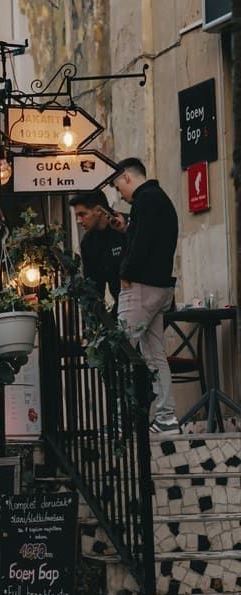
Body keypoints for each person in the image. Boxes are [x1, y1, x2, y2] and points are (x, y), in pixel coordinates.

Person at [112, 157, 180, 434]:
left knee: (119, 352)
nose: (120, 194)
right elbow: (153, 238)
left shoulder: (144, 200)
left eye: (118, 187)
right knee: (155, 355)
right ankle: (166, 418)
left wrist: (125, 272)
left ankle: (121, 421)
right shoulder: (161, 199)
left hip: (140, 287)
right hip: (162, 287)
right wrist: (128, 228)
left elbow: (141, 244)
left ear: (127, 177)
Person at [69, 189, 125, 304]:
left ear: (98, 211)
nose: (78, 221)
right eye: (77, 216)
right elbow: (94, 285)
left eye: (82, 214)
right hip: (121, 304)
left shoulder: (126, 225)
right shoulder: (88, 242)